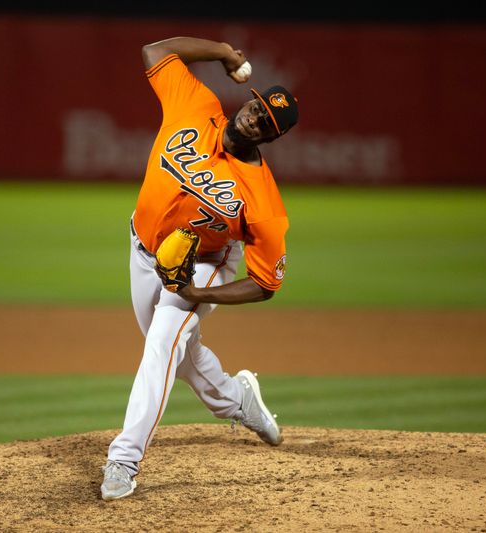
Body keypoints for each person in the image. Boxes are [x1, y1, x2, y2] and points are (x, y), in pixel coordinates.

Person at [101, 36, 299, 501]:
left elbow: (266, 284)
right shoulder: (196, 103)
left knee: (162, 346)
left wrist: (197, 294)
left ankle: (123, 460)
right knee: (183, 359)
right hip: (142, 249)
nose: (253, 117)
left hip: (205, 265)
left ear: (271, 137)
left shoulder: (263, 202)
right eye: (256, 107)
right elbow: (153, 52)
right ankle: (238, 401)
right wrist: (223, 52)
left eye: (265, 121)